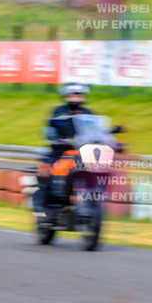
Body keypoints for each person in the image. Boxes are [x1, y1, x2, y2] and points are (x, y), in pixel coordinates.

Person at [35, 83, 93, 211]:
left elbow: (95, 130)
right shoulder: (58, 111)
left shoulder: (88, 113)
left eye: (78, 95)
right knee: (46, 170)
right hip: (60, 150)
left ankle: (92, 200)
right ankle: (44, 206)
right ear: (66, 96)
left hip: (81, 152)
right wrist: (55, 139)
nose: (75, 98)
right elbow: (50, 128)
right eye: (72, 95)